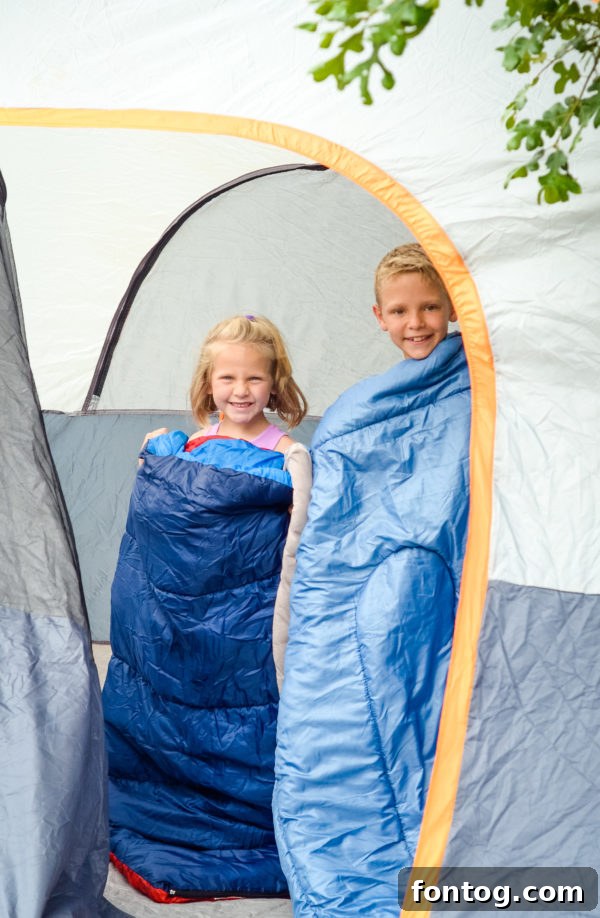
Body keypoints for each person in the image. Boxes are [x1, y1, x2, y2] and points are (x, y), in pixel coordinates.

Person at [273, 244, 471, 917]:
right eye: (401, 311)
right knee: (350, 701)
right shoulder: (366, 404)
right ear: (378, 317)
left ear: (453, 310)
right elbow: (337, 505)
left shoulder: (475, 385)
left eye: (430, 307)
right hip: (360, 587)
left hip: (438, 582)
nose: (416, 322)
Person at [102, 314, 311, 903]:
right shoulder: (182, 450)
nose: (240, 391)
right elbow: (154, 545)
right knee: (159, 713)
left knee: (243, 719)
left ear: (276, 383)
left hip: (241, 640)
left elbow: (294, 547)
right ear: (208, 381)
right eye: (227, 377)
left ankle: (238, 807)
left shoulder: (288, 457)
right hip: (175, 636)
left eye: (254, 378)